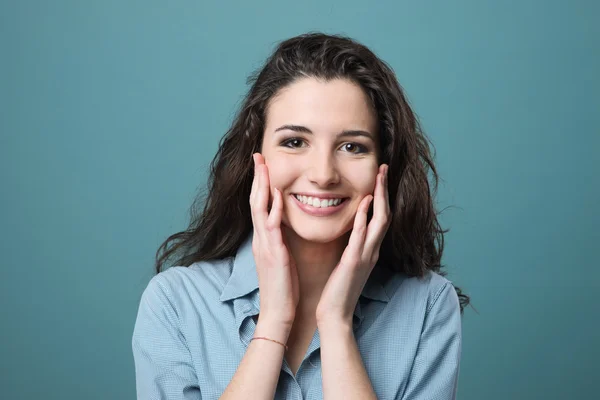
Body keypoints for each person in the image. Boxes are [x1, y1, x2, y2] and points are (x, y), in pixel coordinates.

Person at [132, 32, 470, 400]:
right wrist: (273, 323)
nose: (323, 174)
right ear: (255, 156)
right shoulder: (175, 303)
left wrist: (337, 325)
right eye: (294, 142)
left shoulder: (428, 306)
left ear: (382, 166)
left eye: (352, 146)